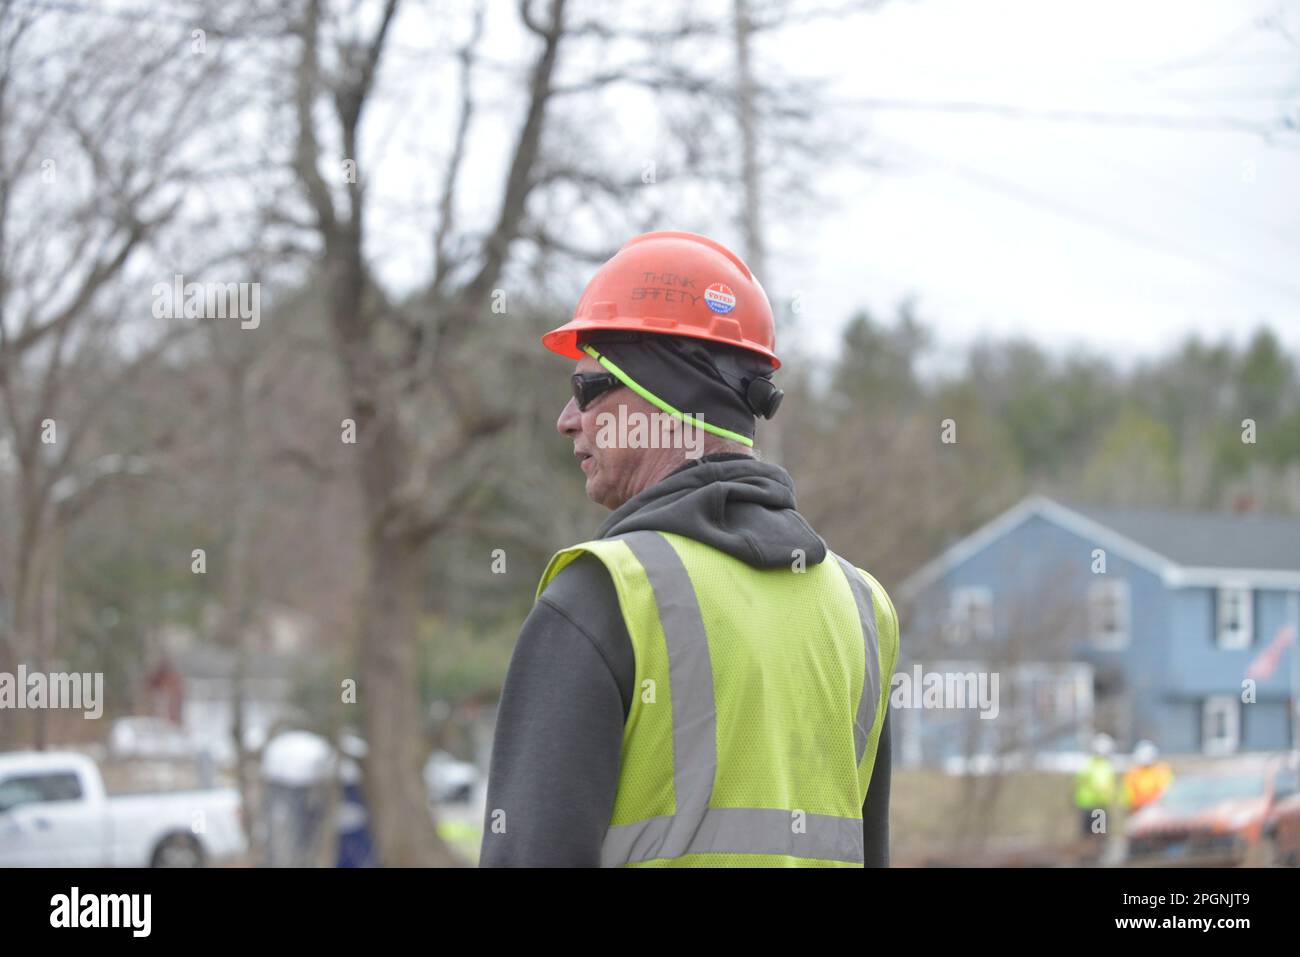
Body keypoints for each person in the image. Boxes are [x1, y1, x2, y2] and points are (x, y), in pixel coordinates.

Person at [479, 230, 901, 867]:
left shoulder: (603, 597)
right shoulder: (861, 609)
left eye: (587, 389)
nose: (567, 418)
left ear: (656, 395)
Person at [1075, 733, 1118, 838]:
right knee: (1097, 838)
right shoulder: (1104, 767)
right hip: (1098, 808)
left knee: (1088, 837)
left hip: (1087, 807)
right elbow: (1102, 788)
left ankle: (1088, 853)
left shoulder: (1088, 764)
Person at [1122, 740, 1173, 812]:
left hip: (1157, 809)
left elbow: (1165, 790)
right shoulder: (1134, 773)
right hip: (1138, 809)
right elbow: (1128, 794)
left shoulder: (1161, 770)